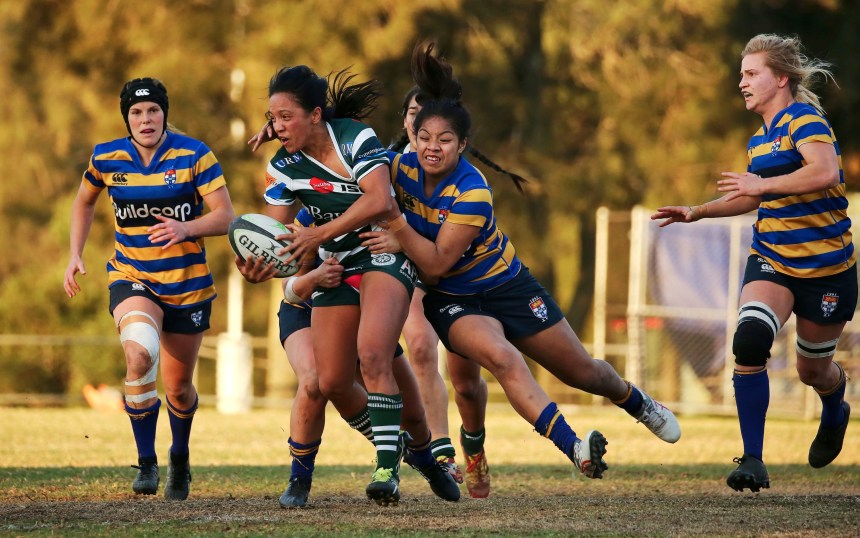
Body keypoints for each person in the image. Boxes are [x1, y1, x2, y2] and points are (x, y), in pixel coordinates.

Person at [362, 42, 681, 482]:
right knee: (502, 360)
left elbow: (433, 263)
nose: (432, 148)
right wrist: (293, 140)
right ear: (412, 136)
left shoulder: (473, 192)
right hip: (453, 300)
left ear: (464, 144)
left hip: (508, 287)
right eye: (424, 138)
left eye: (445, 140)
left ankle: (636, 401)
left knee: (582, 371)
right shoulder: (397, 170)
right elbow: (344, 162)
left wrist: (397, 229)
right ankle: (575, 448)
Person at [652, 34, 853, 492]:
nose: (740, 82)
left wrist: (763, 187)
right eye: (741, 74)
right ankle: (753, 460)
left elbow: (825, 172)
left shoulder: (804, 120)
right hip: (773, 258)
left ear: (780, 78)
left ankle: (835, 404)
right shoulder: (759, 141)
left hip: (827, 269)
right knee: (750, 339)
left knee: (812, 371)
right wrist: (697, 211)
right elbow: (749, 198)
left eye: (750, 73)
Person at [249, 64, 454, 505]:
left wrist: (319, 234)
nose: (277, 127)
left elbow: (379, 199)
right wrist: (258, 260)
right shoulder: (282, 166)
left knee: (374, 354)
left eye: (286, 116)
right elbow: (278, 237)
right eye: (272, 118)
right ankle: (413, 452)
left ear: (316, 114)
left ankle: (386, 470)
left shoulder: (355, 137)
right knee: (333, 381)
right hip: (336, 266)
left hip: (384, 253)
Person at [63, 77, 236, 500]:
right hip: (132, 275)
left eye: (153, 111)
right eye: (137, 112)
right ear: (126, 118)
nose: (146, 119)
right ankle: (146, 462)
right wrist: (75, 253)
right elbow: (84, 201)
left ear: (164, 113)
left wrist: (186, 227)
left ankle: (179, 455)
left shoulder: (195, 155)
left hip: (186, 285)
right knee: (139, 354)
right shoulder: (107, 157)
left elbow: (227, 217)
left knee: (178, 388)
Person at [236, 210, 459, 507]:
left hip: (365, 311)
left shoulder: (386, 207)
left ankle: (423, 458)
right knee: (315, 382)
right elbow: (291, 291)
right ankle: (299, 479)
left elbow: (428, 259)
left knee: (414, 415)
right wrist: (312, 275)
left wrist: (403, 241)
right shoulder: (309, 215)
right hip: (309, 309)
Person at [390, 86, 490, 496]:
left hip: (453, 276)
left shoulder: (466, 182)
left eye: (437, 129)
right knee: (416, 346)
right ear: (406, 123)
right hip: (408, 272)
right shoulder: (389, 164)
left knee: (465, 382)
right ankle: (440, 451)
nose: (423, 127)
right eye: (415, 116)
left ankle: (474, 443)